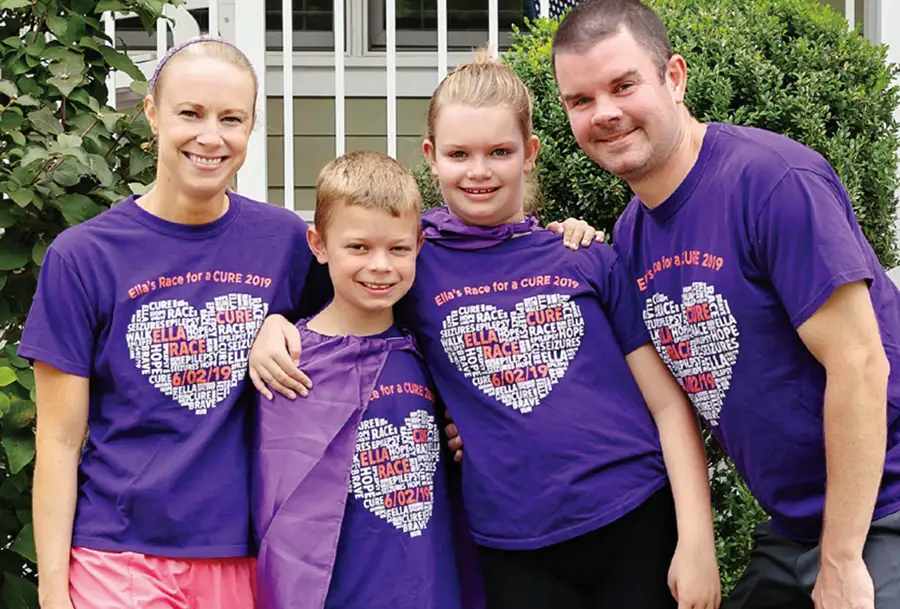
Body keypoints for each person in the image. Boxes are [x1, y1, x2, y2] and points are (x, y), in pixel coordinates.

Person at [250, 50, 721, 609]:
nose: (479, 171)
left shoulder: (583, 256)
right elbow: (333, 300)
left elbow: (669, 407)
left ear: (530, 154)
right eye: (459, 154)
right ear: (431, 156)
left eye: (499, 152)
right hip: (511, 547)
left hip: (635, 517)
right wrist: (270, 324)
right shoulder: (410, 258)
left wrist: (697, 542)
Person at [549, 1, 900, 608]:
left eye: (623, 85)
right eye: (581, 100)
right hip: (795, 530)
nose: (605, 113)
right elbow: (664, 398)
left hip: (884, 510)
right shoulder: (631, 235)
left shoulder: (773, 182)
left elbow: (860, 365)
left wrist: (842, 561)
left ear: (675, 78)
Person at [19, 36, 326, 609]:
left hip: (246, 556)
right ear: (153, 114)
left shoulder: (285, 241)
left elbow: (358, 333)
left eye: (231, 118)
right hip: (118, 558)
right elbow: (59, 441)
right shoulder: (83, 256)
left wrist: (279, 322)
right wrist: (53, 591)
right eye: (191, 113)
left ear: (251, 126)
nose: (211, 137)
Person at [253, 150, 482, 609]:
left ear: (418, 245)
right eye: (358, 247)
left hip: (429, 588)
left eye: (397, 248)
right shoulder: (286, 360)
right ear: (318, 245)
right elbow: (276, 505)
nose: (380, 265)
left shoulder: (428, 351)